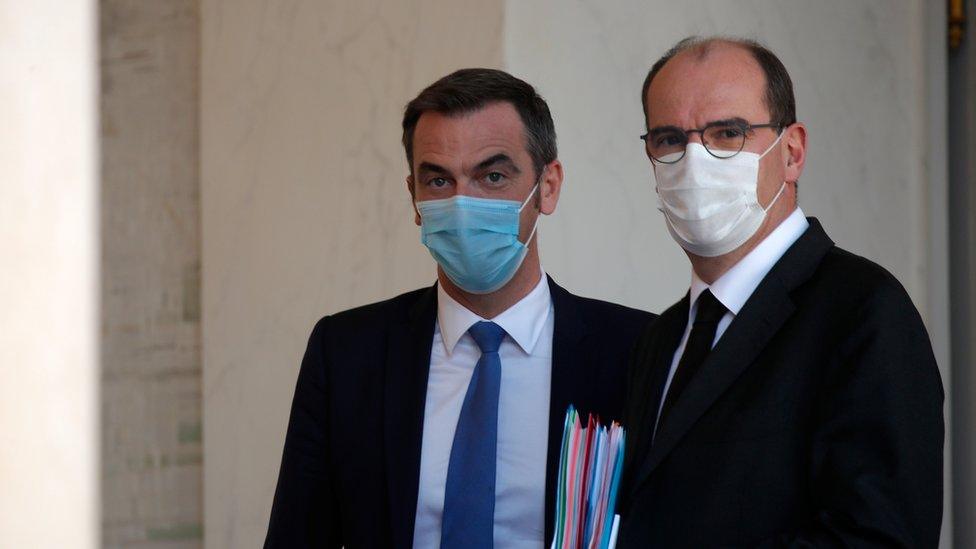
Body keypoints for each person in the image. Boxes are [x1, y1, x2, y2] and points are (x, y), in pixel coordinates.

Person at [264, 68, 654, 548]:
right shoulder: (347, 353)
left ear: (548, 186)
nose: (463, 203)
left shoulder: (639, 351)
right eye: (439, 181)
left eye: (493, 176)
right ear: (414, 198)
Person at [618, 37, 944, 547]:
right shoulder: (659, 339)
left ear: (791, 153)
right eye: (669, 139)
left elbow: (879, 537)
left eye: (728, 133)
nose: (695, 159)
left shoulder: (862, 310)